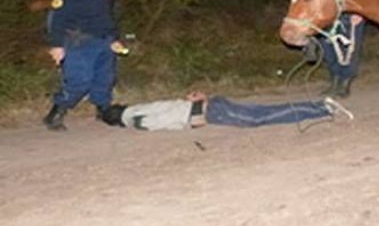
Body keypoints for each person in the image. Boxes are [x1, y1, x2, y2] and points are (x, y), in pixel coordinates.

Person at [42, 0, 125, 131]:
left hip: (104, 42)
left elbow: (108, 19)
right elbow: (56, 19)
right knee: (79, 80)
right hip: (80, 43)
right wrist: (56, 45)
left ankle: (103, 110)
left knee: (105, 78)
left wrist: (115, 39)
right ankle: (56, 113)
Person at [99, 92, 353, 131]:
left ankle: (322, 108)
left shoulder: (138, 121)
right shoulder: (137, 108)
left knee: (262, 118)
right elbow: (171, 106)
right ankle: (320, 106)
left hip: (210, 112)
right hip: (212, 104)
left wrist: (194, 120)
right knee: (265, 112)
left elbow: (171, 119)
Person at [308, 13, 365, 98]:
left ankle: (344, 84)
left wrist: (359, 13)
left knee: (350, 50)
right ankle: (335, 82)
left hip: (349, 16)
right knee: (327, 50)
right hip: (327, 16)